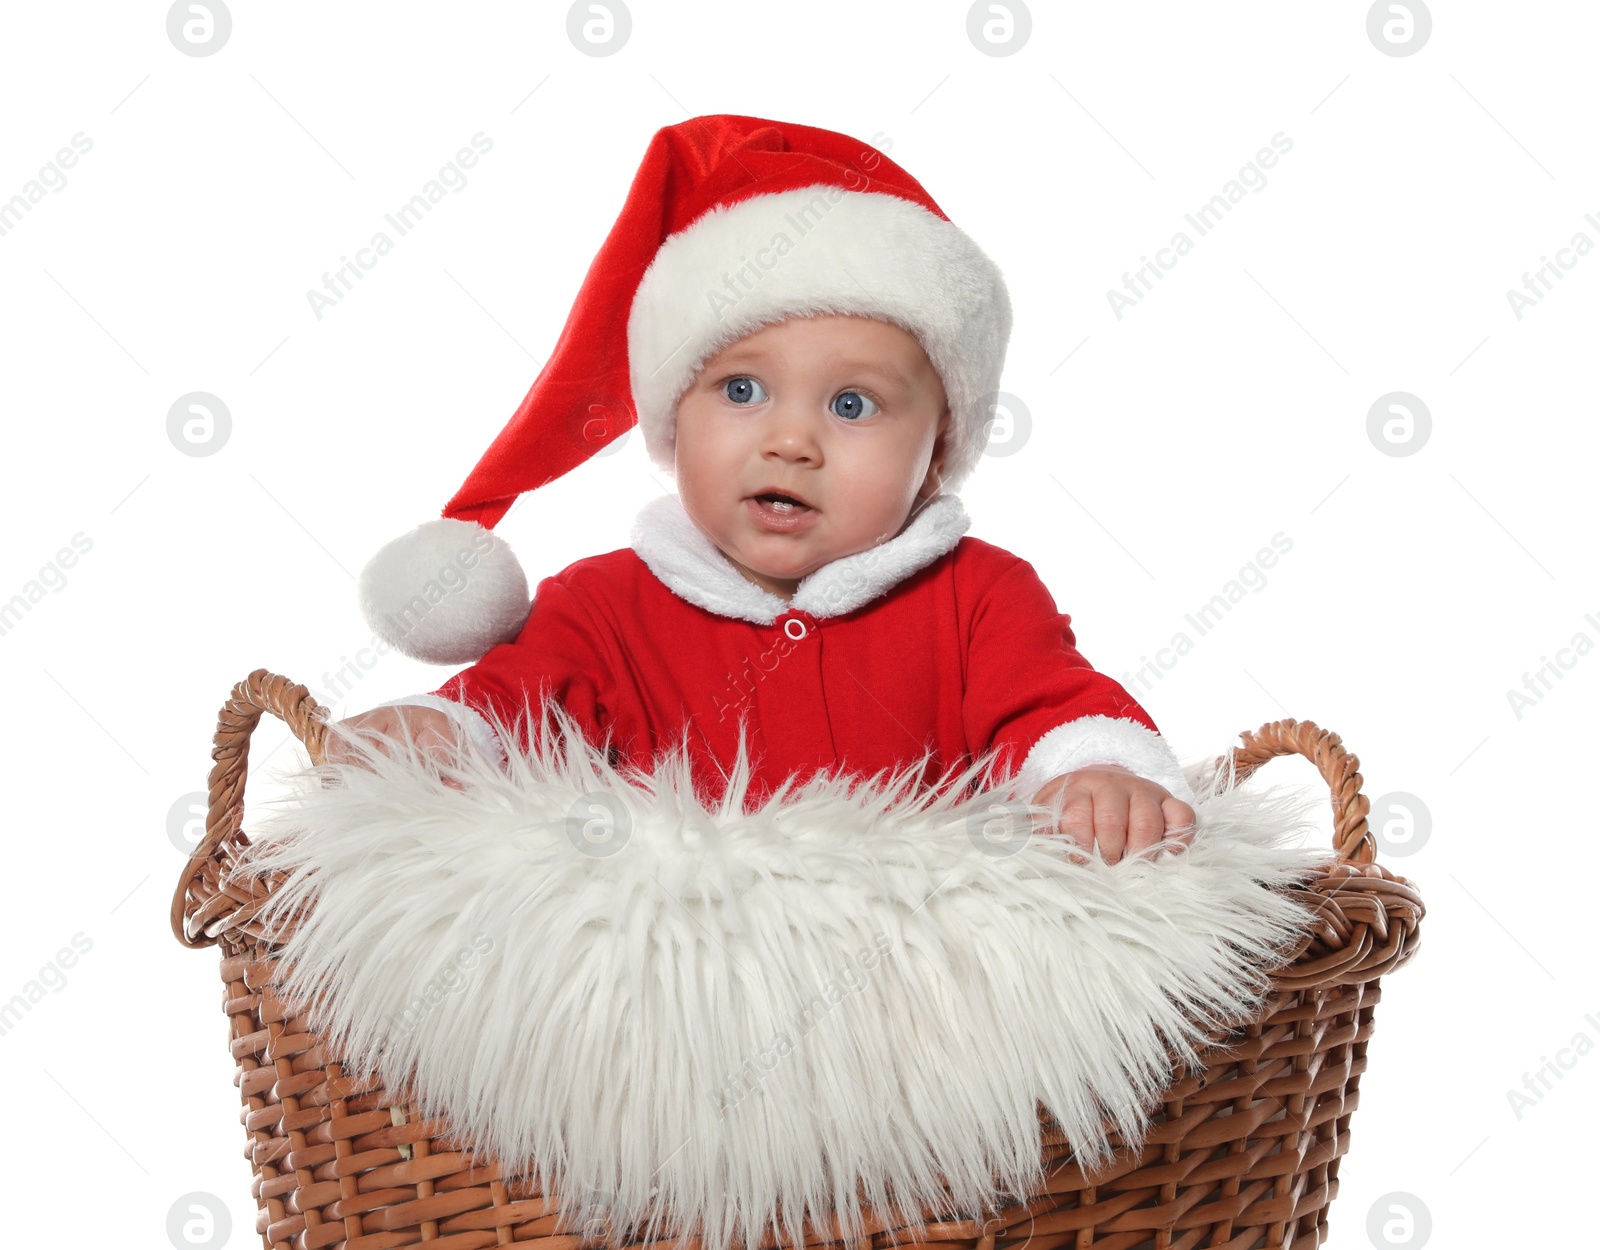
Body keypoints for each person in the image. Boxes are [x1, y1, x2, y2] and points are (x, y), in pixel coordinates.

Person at [327, 114, 1197, 865]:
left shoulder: (980, 597)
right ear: (673, 421)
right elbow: (517, 704)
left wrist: (1098, 776)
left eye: (852, 405)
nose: (790, 441)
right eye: (740, 391)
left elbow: (1055, 705)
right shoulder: (603, 606)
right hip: (674, 990)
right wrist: (437, 733)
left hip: (923, 987)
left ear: (935, 455)